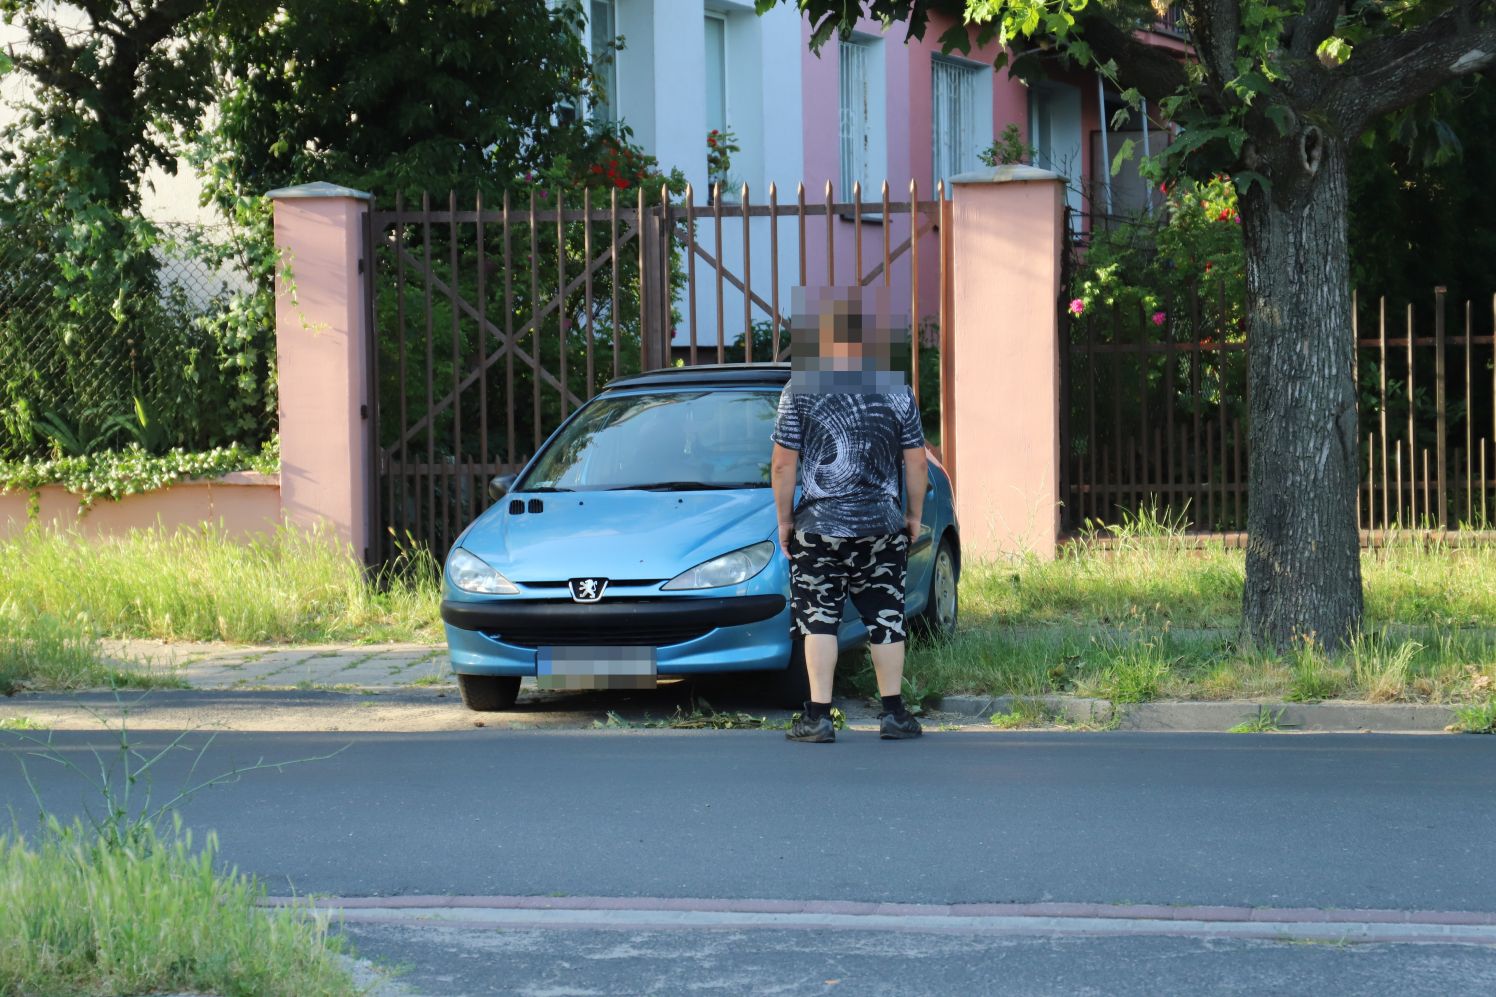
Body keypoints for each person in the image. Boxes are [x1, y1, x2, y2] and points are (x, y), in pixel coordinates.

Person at [770, 287, 927, 743]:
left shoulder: (799, 388)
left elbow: (783, 463)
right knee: (886, 615)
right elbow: (916, 460)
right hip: (882, 524)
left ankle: (817, 716)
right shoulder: (895, 388)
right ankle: (895, 714)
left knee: (818, 617)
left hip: (819, 527)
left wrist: (785, 521)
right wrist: (912, 515)